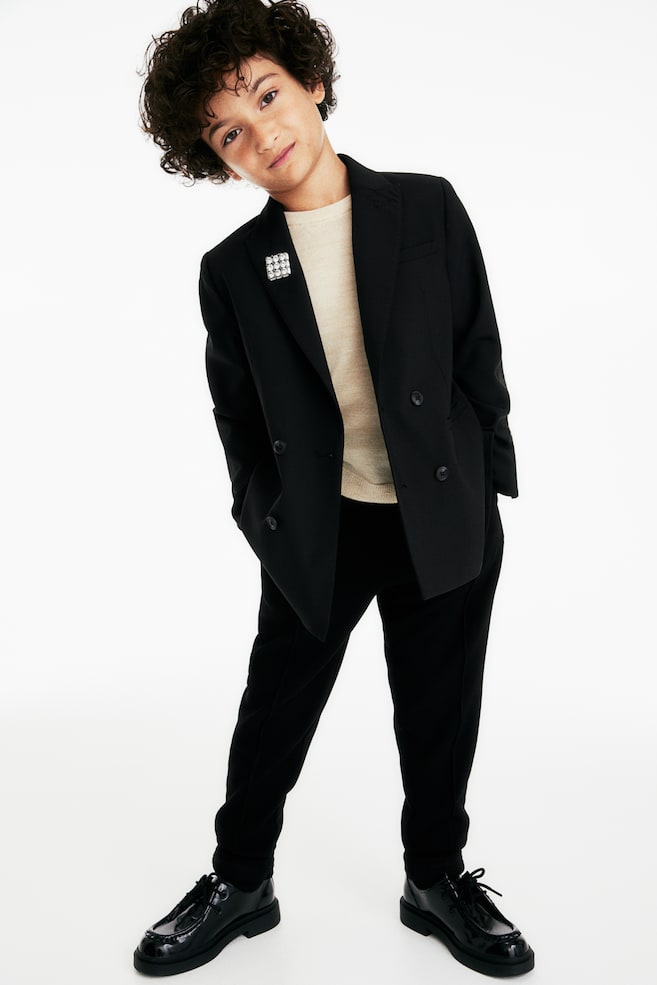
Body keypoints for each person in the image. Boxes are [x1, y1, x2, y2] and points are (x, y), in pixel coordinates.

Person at [134, 0, 534, 977]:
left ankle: (434, 877)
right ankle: (240, 880)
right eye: (228, 131)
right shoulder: (233, 270)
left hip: (442, 510)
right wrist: (268, 522)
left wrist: (486, 478)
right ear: (216, 159)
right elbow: (237, 419)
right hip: (322, 527)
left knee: (440, 708)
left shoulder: (426, 207)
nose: (260, 133)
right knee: (274, 709)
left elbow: (477, 349)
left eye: (267, 96)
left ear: (311, 82)